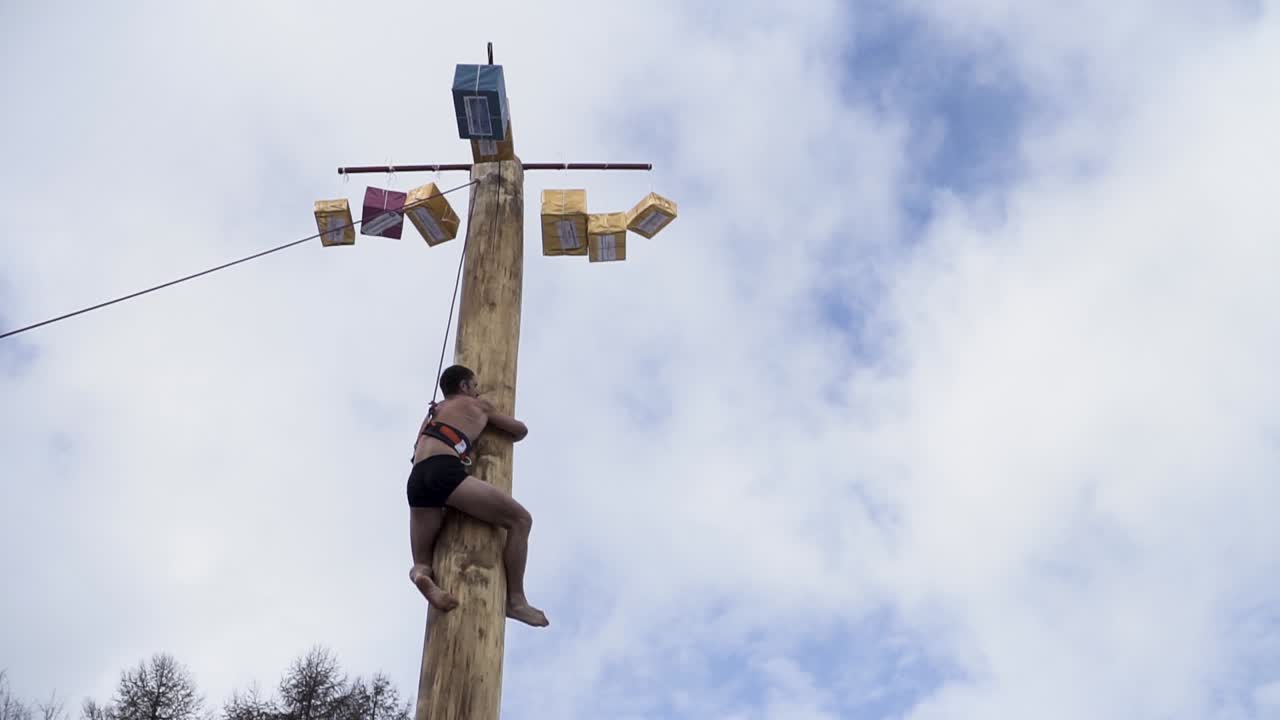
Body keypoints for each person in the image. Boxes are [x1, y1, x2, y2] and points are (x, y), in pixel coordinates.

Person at [406, 364, 549, 627]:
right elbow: (519, 430)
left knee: (422, 560)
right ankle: (516, 600)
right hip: (444, 470)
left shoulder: (433, 412)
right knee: (520, 521)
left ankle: (420, 576)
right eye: (475, 386)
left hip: (417, 478)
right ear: (464, 386)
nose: (477, 390)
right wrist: (486, 410)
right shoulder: (478, 406)